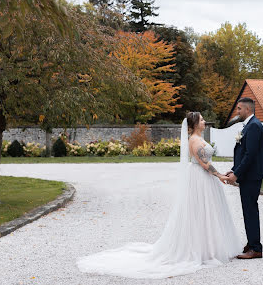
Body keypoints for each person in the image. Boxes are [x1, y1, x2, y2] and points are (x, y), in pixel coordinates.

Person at [77, 112, 242, 279]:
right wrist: (220, 176)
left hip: (206, 179)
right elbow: (204, 164)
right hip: (200, 178)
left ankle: (210, 247)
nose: (204, 121)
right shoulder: (194, 141)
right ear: (194, 125)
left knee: (208, 213)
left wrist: (220, 174)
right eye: (201, 120)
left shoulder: (199, 138)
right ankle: (202, 250)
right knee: (199, 212)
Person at [226, 97, 263, 259]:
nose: (237, 112)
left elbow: (250, 155)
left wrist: (237, 174)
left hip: (251, 176)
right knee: (248, 210)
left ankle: (256, 248)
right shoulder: (250, 125)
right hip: (248, 175)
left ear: (247, 110)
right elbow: (243, 153)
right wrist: (233, 169)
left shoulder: (254, 126)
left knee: (250, 210)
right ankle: (252, 243)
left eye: (239, 109)